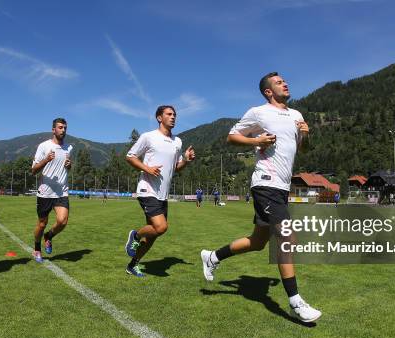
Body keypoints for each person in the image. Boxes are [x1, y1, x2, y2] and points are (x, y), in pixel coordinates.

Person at [200, 72, 322, 323]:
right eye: (279, 82)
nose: (285, 83)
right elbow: (231, 137)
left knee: (257, 242)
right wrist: (256, 140)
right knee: (287, 236)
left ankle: (212, 256)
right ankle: (295, 303)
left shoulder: (296, 115)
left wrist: (306, 135)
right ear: (268, 91)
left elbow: (304, 149)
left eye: (285, 81)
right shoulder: (258, 112)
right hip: (265, 183)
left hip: (281, 187)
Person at [124, 105, 196, 277]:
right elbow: (130, 156)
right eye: (169, 114)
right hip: (147, 189)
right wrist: (146, 168)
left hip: (162, 194)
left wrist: (185, 160)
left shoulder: (177, 142)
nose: (173, 117)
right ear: (159, 118)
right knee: (161, 227)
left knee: (154, 234)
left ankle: (133, 265)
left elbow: (175, 168)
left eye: (175, 115)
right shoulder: (148, 137)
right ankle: (134, 236)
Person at [31, 118, 72, 263]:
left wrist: (69, 165)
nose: (63, 130)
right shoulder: (44, 146)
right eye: (60, 127)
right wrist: (46, 160)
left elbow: (67, 168)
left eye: (65, 128)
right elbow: (34, 170)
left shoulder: (69, 148)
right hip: (45, 192)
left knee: (62, 221)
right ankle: (36, 249)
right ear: (53, 130)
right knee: (42, 224)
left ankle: (48, 236)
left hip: (61, 191)